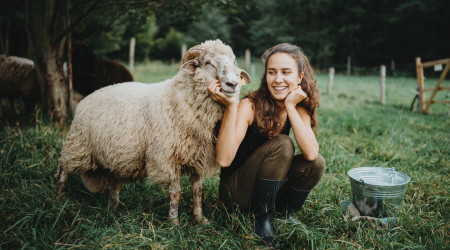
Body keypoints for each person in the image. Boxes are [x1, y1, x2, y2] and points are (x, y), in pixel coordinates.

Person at [207, 43, 325, 247]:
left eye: (286, 72)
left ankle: (284, 213)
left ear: (299, 77)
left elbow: (312, 154)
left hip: (267, 190)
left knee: (315, 164)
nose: (278, 79)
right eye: (272, 72)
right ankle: (262, 220)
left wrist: (290, 106)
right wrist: (231, 105)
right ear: (266, 76)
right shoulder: (250, 105)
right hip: (236, 194)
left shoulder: (298, 107)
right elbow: (223, 159)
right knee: (283, 143)